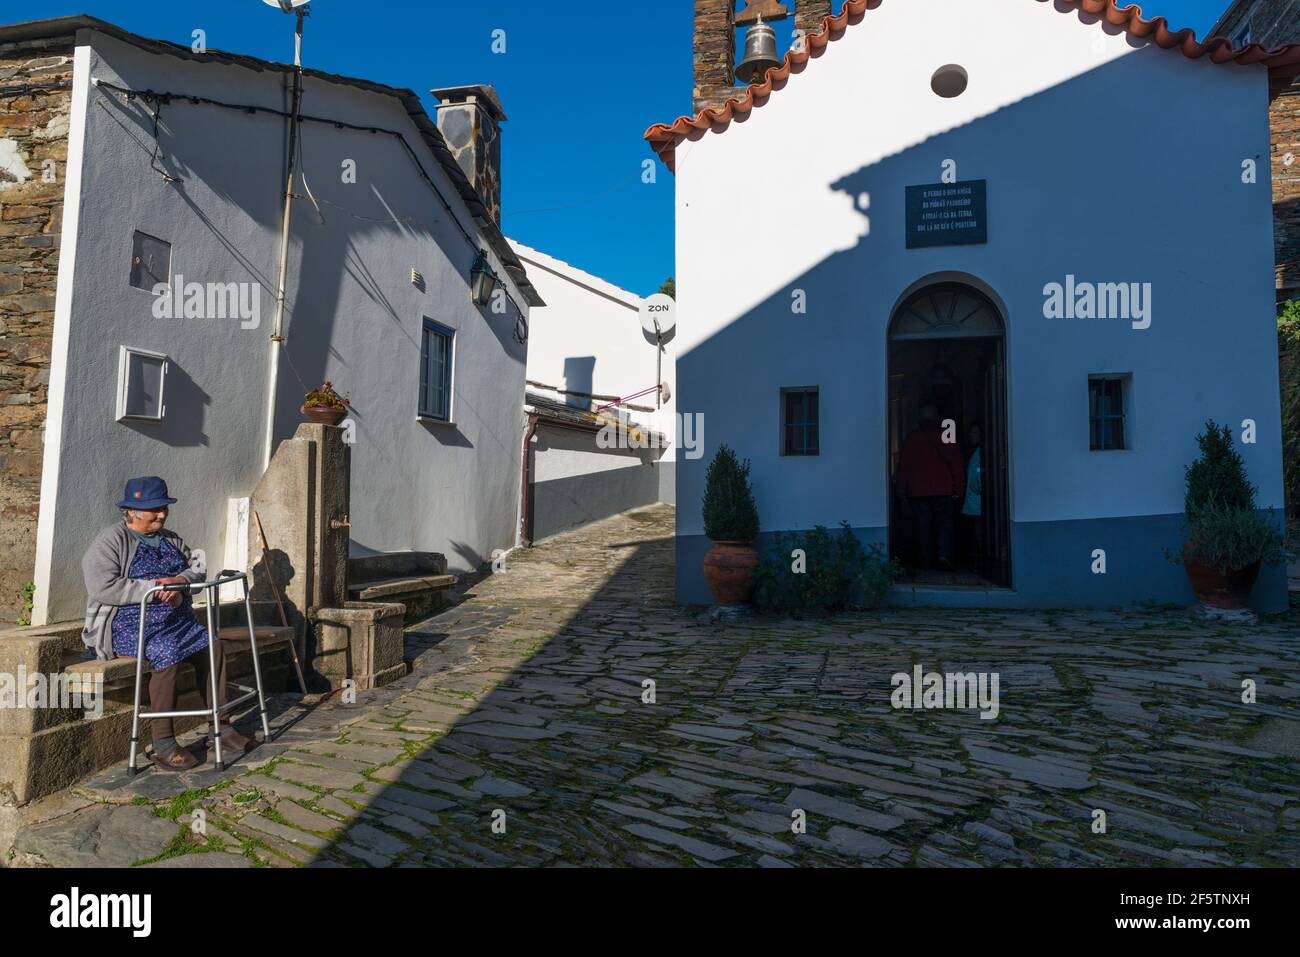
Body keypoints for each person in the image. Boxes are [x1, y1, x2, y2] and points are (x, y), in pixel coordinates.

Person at [82, 476, 251, 771]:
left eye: (164, 508)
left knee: (214, 647)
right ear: (133, 511)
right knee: (167, 650)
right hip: (129, 625)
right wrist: (155, 590)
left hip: (178, 621)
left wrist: (181, 581)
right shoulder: (111, 540)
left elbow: (197, 567)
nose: (161, 514)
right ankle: (162, 743)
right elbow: (101, 585)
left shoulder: (171, 538)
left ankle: (220, 727)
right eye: (154, 509)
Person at [895, 405, 965, 569]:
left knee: (923, 526)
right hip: (944, 490)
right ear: (937, 417)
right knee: (944, 524)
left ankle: (925, 560)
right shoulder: (946, 436)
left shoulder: (912, 438)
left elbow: (903, 466)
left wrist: (901, 490)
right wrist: (959, 489)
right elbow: (957, 464)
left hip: (918, 491)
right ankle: (943, 555)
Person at [961, 423, 983, 568]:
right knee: (973, 534)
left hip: (976, 501)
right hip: (973, 501)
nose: (971, 435)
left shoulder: (980, 452)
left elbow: (978, 474)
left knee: (978, 534)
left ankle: (978, 563)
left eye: (975, 432)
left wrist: (977, 487)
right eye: (970, 432)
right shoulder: (973, 452)